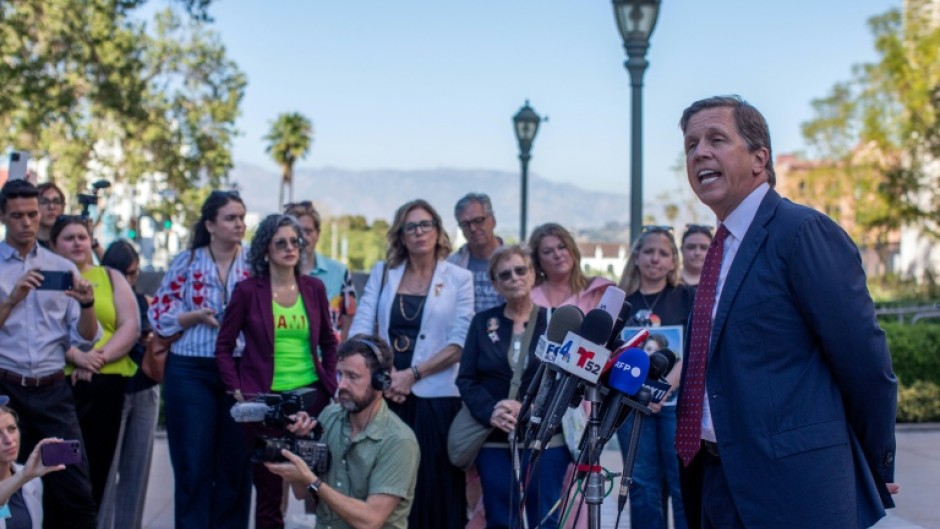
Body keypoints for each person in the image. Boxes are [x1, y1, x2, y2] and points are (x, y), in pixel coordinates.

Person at [675, 95, 898, 529]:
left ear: (760, 158)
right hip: (714, 481)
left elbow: (864, 362)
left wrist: (875, 465)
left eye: (716, 139)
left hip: (793, 491)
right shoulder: (718, 251)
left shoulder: (802, 233)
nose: (699, 152)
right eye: (691, 144)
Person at [349, 198, 473, 529]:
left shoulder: (460, 278)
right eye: (411, 226)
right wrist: (388, 377)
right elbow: (361, 330)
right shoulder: (383, 273)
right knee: (387, 482)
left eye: (425, 225)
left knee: (435, 486)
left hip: (437, 397)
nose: (419, 232)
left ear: (438, 231)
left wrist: (413, 374)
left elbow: (459, 342)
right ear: (400, 235)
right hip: (387, 394)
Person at [216, 214, 338, 529]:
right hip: (265, 406)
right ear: (265, 250)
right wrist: (236, 389)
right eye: (280, 242)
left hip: (312, 400)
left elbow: (329, 341)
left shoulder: (314, 288)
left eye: (294, 242)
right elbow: (224, 346)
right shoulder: (247, 291)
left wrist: (333, 381)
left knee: (321, 488)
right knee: (269, 496)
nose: (289, 248)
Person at [147, 190, 252, 529]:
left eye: (241, 217)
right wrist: (193, 316)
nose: (239, 224)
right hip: (191, 369)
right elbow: (158, 313)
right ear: (210, 224)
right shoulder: (188, 261)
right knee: (192, 464)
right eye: (230, 218)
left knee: (235, 465)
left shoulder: (254, 262)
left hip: (239, 368)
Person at [0, 179, 100, 529]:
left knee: (72, 483)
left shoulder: (61, 267)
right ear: (3, 217)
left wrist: (88, 305)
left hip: (52, 393)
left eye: (32, 214)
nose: (26, 222)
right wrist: (12, 299)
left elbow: (85, 338)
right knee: (7, 485)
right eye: (17, 216)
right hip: (7, 393)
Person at [456, 245, 570, 529]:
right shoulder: (483, 323)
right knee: (501, 520)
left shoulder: (556, 320)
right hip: (495, 438)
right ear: (495, 283)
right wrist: (491, 410)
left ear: (533, 274)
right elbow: (466, 379)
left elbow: (568, 381)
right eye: (504, 274)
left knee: (546, 519)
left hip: (545, 440)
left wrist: (531, 409)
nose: (514, 278)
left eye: (520, 270)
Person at [265, 336, 419, 529]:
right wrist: (298, 448)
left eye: (352, 377)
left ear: (381, 381)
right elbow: (302, 493)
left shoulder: (399, 441)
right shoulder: (329, 417)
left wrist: (312, 481)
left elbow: (370, 520)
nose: (341, 385)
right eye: (340, 375)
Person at [50, 216, 140, 508]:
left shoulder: (110, 276)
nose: (77, 242)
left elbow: (130, 326)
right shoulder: (45, 278)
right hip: (61, 387)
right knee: (62, 466)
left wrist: (93, 360)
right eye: (69, 237)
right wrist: (76, 357)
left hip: (107, 386)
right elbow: (39, 329)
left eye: (82, 236)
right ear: (53, 244)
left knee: (97, 468)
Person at [615, 226, 692, 529]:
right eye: (648, 252)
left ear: (674, 261)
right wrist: (639, 392)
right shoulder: (623, 303)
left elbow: (695, 349)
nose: (655, 259)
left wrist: (661, 390)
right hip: (633, 410)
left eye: (663, 253)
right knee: (642, 485)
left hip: (678, 409)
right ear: (636, 257)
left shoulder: (686, 296)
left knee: (681, 484)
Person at [97, 240, 159, 529]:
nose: (130, 280)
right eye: (126, 273)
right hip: (110, 386)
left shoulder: (141, 299)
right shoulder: (97, 296)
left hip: (143, 386)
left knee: (136, 472)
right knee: (105, 472)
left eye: (133, 274)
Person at [284, 201, 357, 343]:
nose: (303, 238)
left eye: (308, 231)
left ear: (317, 234)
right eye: (296, 232)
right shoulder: (274, 273)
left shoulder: (339, 272)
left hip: (327, 358)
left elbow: (351, 317)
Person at [0, 400, 68, 529]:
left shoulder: (32, 481)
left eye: (12, 429)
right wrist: (23, 476)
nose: (9, 440)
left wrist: (25, 476)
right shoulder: (25, 476)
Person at [528, 223, 614, 314]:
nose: (557, 255)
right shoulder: (529, 296)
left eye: (562, 247)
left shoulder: (599, 290)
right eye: (548, 252)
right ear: (537, 260)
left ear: (572, 249)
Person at [448, 193, 504, 313]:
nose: (473, 228)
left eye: (478, 221)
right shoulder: (452, 265)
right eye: (465, 224)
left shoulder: (517, 262)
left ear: (493, 221)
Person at [35, 183, 66, 251]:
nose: (51, 207)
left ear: (63, 207)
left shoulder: (68, 243)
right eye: (44, 202)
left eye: (56, 201)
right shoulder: (25, 244)